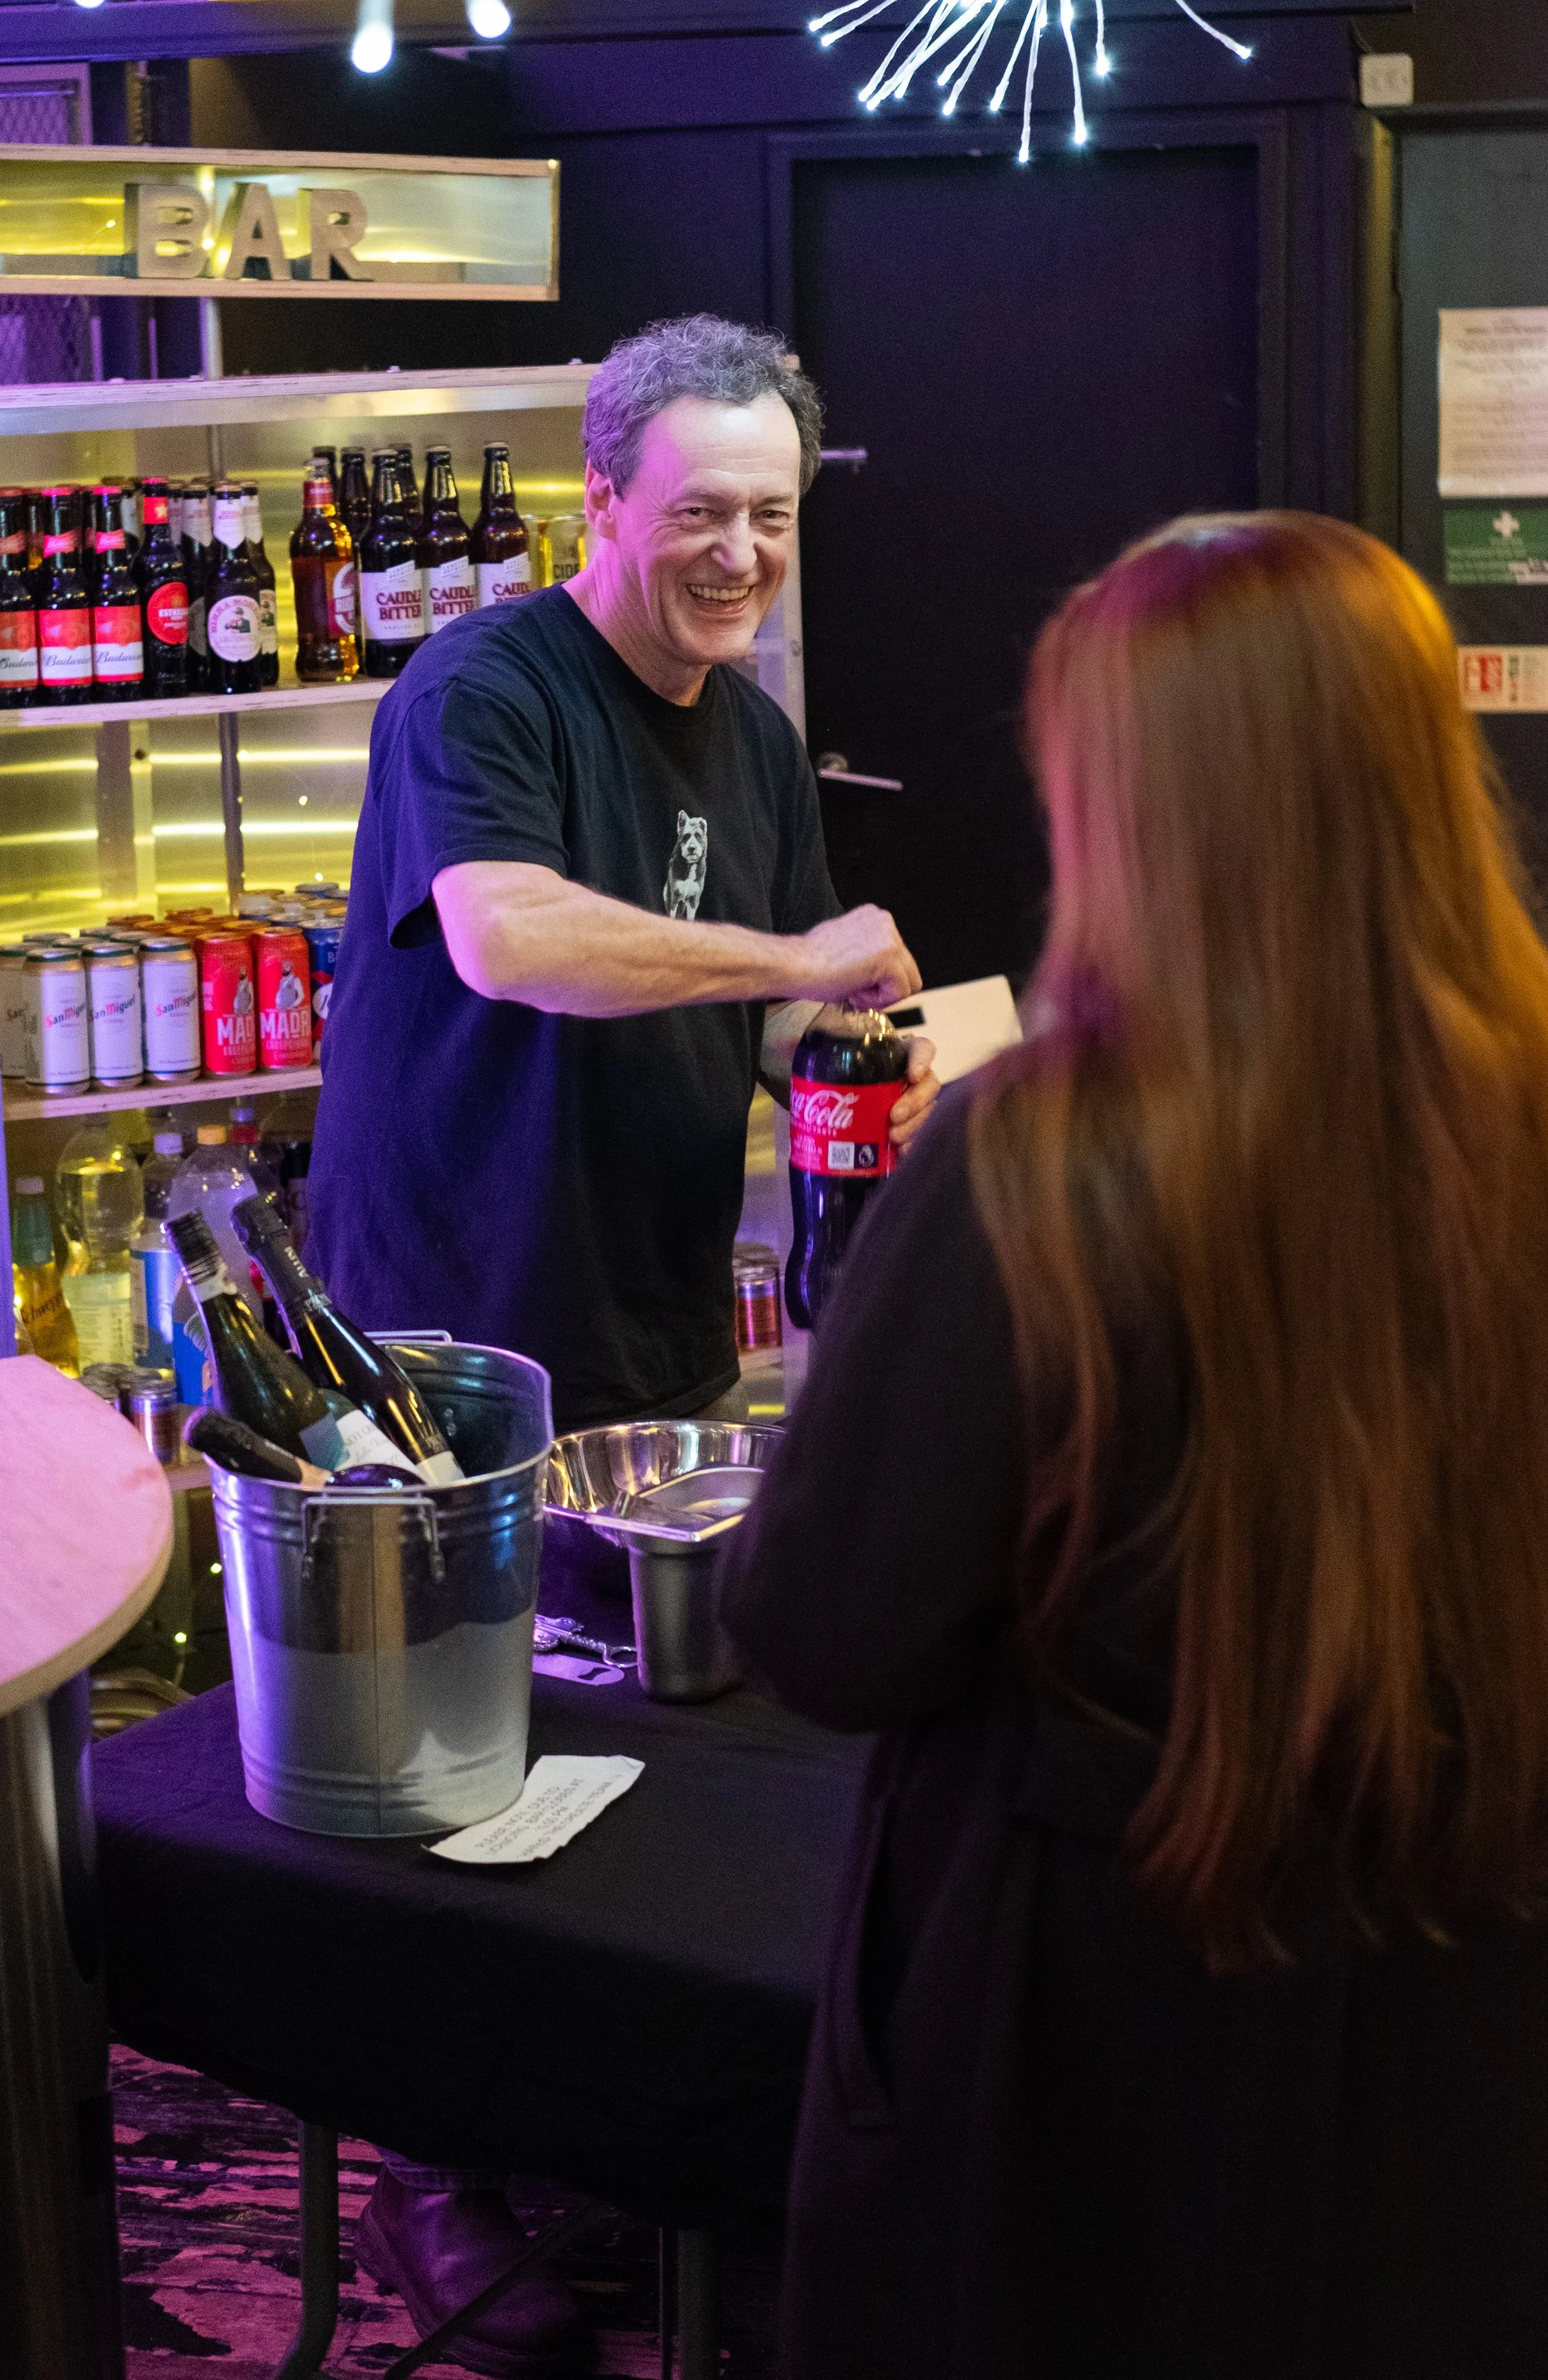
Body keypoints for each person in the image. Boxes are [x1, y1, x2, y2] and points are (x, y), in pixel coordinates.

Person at [724, 511, 1548, 2380]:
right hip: (1469, 1975)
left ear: (1134, 813)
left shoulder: (1031, 1159)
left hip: (1089, 2025)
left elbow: (827, 1627)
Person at [305, 314, 937, 2375]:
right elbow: (505, 932)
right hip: (447, 1321)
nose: (739, 553)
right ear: (603, 498)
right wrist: (789, 953)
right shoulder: (485, 684)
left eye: (768, 515)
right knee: (427, 1760)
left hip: (652, 1315)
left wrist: (875, 1043)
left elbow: (762, 1011)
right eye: (700, 513)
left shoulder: (751, 736)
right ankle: (426, 2168)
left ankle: (583, 2131)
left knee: (619, 1762)